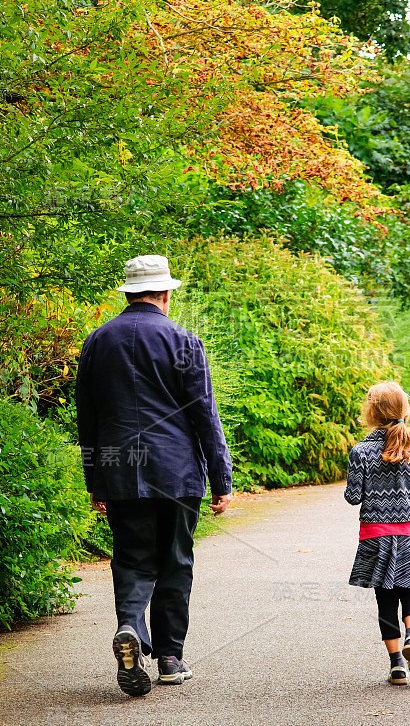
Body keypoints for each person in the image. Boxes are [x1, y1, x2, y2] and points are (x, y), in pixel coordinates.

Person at [76, 254, 232, 697]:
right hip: (177, 471)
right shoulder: (183, 341)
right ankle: (168, 657)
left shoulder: (96, 342)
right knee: (176, 562)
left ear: (128, 293)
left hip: (120, 472)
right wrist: (221, 479)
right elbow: (205, 415)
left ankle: (129, 626)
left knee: (131, 559)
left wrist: (96, 480)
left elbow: (86, 419)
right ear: (166, 294)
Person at [344, 381, 410, 685]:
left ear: (370, 412)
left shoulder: (360, 452)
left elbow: (354, 497)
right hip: (409, 534)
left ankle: (397, 666)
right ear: (404, 412)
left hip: (374, 536)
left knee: (385, 600)